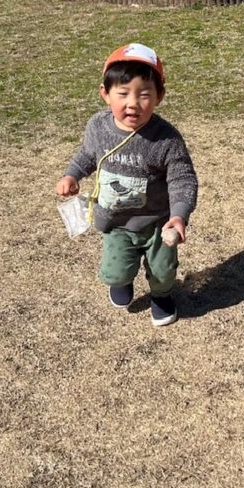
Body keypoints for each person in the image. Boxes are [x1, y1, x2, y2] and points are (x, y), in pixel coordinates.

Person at [56, 43, 198, 327]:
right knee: (116, 271)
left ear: (159, 96)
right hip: (116, 221)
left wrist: (179, 215)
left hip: (157, 222)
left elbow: (182, 177)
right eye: (123, 94)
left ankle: (162, 295)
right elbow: (88, 155)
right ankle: (122, 281)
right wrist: (72, 175)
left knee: (163, 270)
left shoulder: (166, 139)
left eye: (144, 95)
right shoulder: (98, 127)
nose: (133, 103)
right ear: (105, 94)